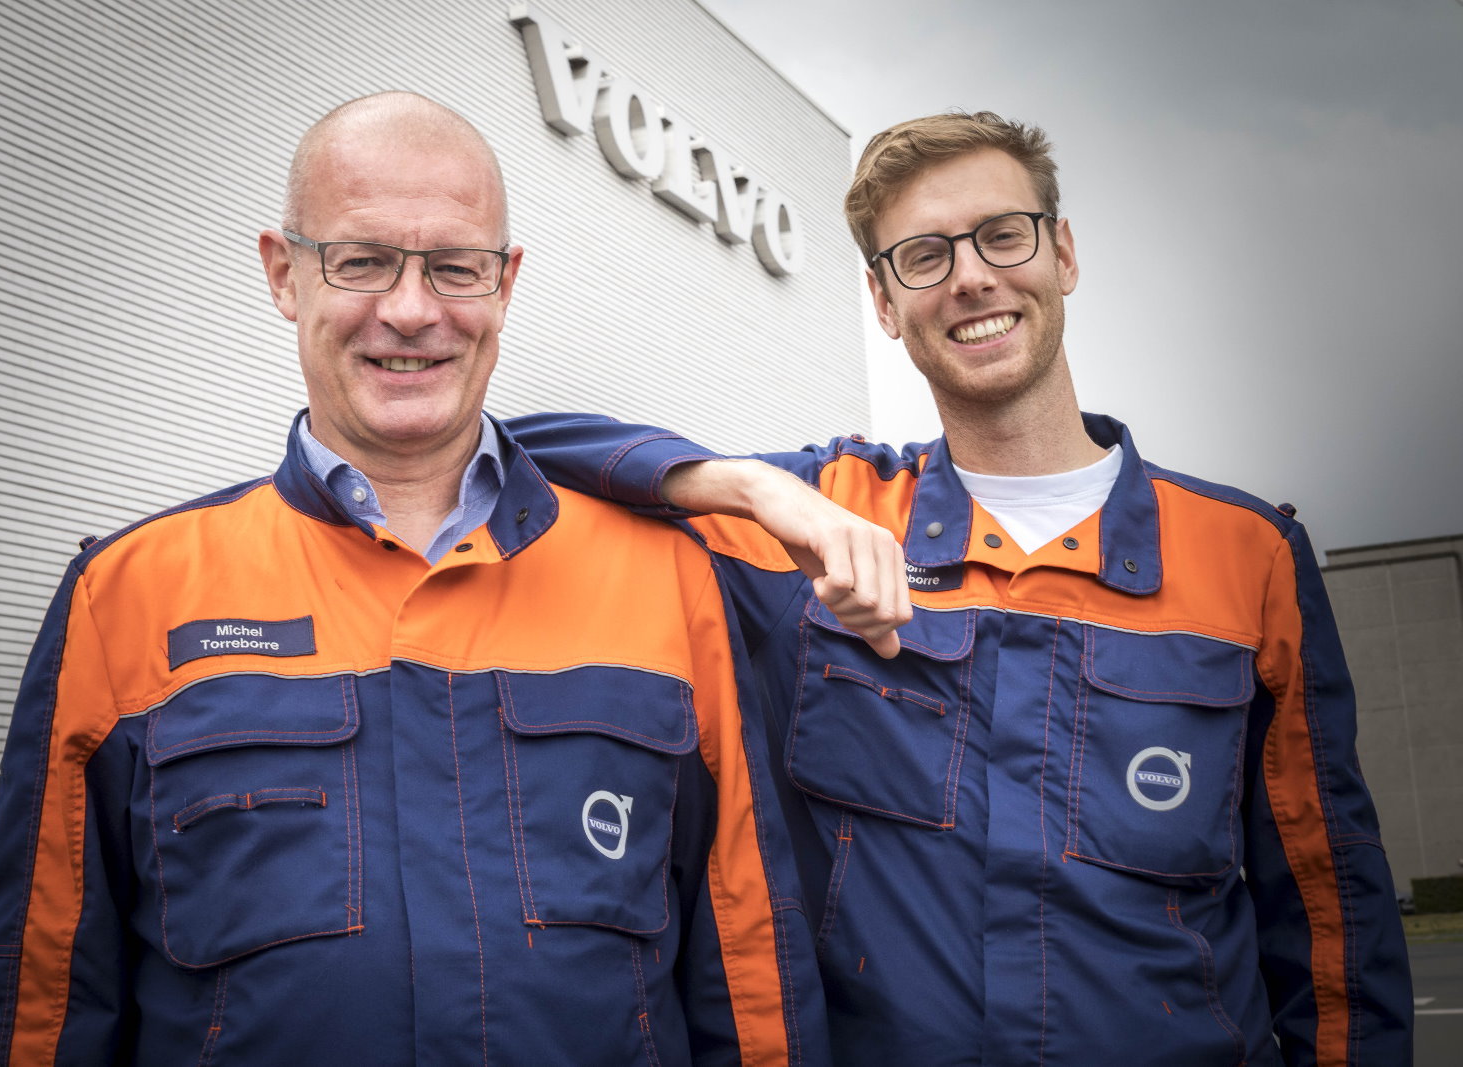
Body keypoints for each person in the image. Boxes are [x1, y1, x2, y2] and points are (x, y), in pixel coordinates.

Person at [0, 91, 902, 1065]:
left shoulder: (668, 580)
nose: (411, 311)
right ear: (284, 274)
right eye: (362, 260)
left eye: (455, 266)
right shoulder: (124, 596)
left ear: (505, 284)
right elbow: (46, 1000)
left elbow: (749, 974)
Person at [512, 111, 1414, 1064]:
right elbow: (515, 453)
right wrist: (751, 487)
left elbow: (1329, 911)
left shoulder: (1248, 555)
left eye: (1002, 235)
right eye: (925, 256)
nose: (972, 276)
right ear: (883, 302)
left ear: (1063, 252)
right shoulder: (818, 521)